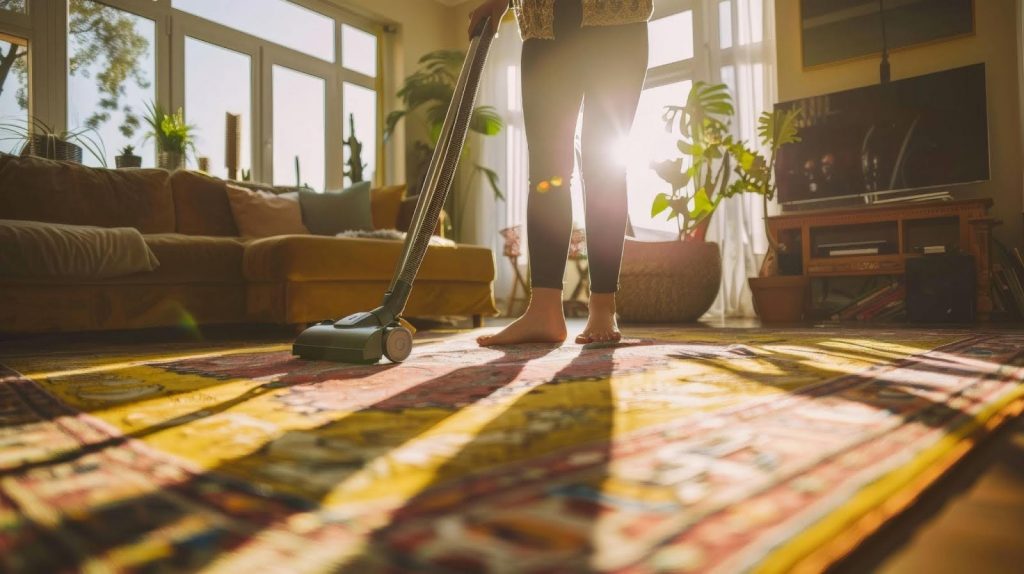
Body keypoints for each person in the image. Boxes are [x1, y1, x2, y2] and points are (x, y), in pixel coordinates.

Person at [470, 0, 652, 346]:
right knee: (546, 172)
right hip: (545, 22)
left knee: (605, 167)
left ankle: (602, 307)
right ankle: (544, 310)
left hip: (618, 20)